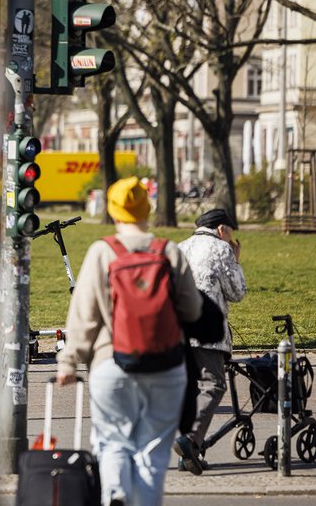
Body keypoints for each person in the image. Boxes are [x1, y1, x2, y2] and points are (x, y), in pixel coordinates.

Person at [57, 177, 202, 506]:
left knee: (112, 442)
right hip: (166, 366)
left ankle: (116, 494)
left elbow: (84, 316)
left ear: (113, 210)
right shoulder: (170, 252)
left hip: (112, 364)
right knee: (152, 455)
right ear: (147, 209)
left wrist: (68, 362)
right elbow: (193, 310)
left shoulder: (101, 252)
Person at [173, 208, 247, 475]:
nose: (231, 239)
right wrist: (235, 260)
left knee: (192, 392)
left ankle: (188, 456)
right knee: (213, 386)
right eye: (231, 234)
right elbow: (237, 292)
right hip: (207, 333)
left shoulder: (180, 248)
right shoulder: (220, 249)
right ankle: (190, 439)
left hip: (178, 331)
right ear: (221, 229)